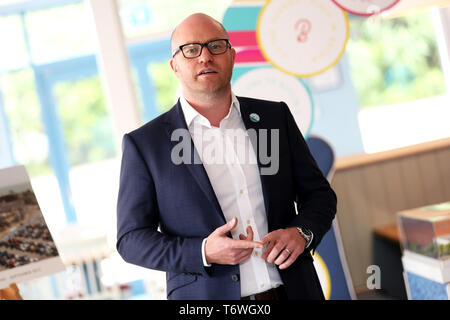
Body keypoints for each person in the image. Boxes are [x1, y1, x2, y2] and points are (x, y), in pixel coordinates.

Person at [116, 13, 337, 300]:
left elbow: (320, 195)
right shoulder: (146, 145)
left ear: (232, 56)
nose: (205, 57)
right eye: (191, 49)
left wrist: (302, 233)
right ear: (175, 66)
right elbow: (131, 240)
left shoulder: (274, 117)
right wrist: (203, 251)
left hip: (294, 291)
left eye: (215, 46)